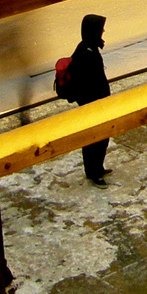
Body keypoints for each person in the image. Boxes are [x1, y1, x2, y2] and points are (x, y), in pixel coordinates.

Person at [66, 14, 113, 186]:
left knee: (101, 137)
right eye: (100, 28)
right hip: (92, 103)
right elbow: (87, 81)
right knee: (95, 138)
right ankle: (93, 172)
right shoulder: (86, 53)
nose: (103, 31)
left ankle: (97, 168)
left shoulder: (89, 46)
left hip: (97, 101)